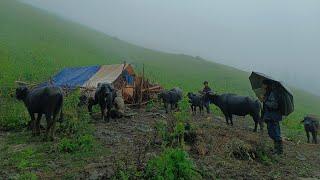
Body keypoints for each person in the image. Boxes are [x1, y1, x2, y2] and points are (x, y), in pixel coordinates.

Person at [262, 79, 283, 155]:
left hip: (273, 117)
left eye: (263, 84)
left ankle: (279, 151)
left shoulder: (273, 94)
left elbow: (274, 105)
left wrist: (265, 101)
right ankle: (276, 149)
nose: (262, 85)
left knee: (275, 133)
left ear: (267, 85)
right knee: (272, 133)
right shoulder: (269, 93)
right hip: (270, 117)